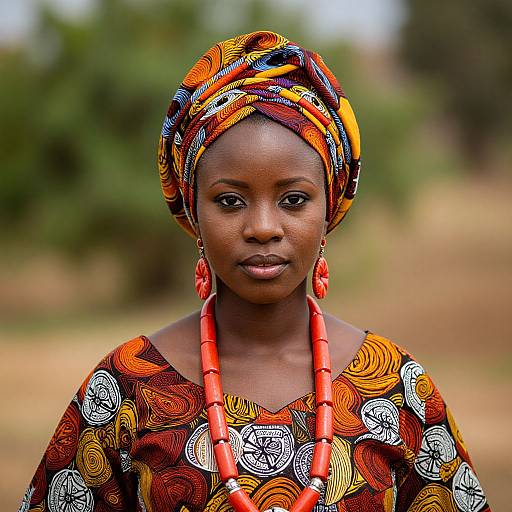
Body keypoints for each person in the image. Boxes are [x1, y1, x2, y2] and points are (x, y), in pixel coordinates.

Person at [19, 31, 490, 512]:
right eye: (230, 200)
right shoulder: (125, 389)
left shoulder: (394, 387)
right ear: (193, 210)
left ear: (328, 209)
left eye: (293, 200)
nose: (263, 228)